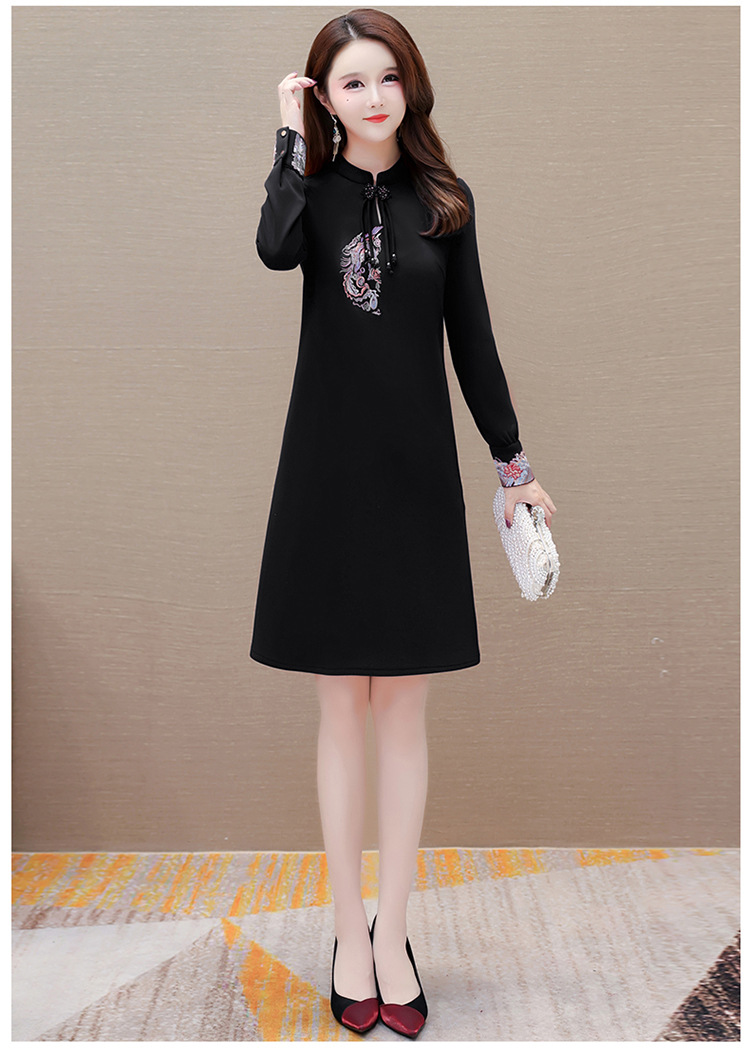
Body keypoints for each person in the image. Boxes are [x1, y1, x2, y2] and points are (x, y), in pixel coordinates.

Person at [249, 7, 556, 1039]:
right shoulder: (310, 192)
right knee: (341, 710)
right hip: (326, 478)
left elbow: (475, 341)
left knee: (404, 715)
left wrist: (514, 468)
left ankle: (395, 934)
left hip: (415, 477)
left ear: (409, 85)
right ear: (326, 99)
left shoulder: (445, 202)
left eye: (387, 77)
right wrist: (288, 144)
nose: (373, 96)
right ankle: (349, 933)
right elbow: (273, 249)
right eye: (350, 83)